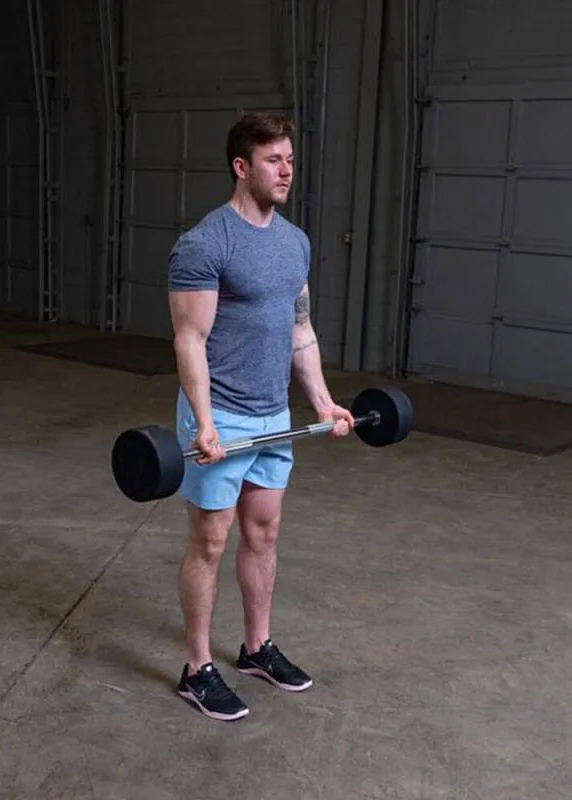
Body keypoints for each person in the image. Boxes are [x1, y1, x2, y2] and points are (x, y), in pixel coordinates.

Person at [167, 112, 354, 721]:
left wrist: (322, 400)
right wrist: (203, 423)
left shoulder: (295, 243)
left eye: (291, 160)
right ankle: (197, 669)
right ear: (241, 167)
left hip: (274, 414)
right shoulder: (205, 242)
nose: (287, 171)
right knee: (211, 541)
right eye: (274, 161)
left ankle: (256, 648)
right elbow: (190, 338)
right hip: (220, 412)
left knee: (264, 532)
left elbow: (300, 329)